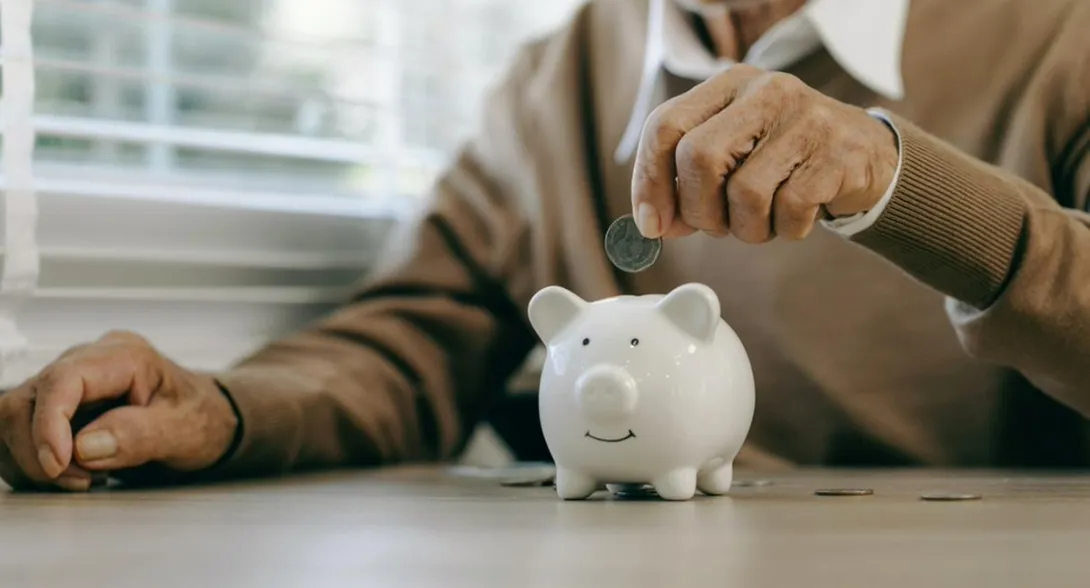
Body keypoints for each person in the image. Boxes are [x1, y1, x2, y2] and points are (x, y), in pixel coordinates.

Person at [3, 0, 1090, 493]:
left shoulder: (1060, 34)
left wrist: (902, 185)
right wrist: (225, 410)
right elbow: (410, 343)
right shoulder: (553, 75)